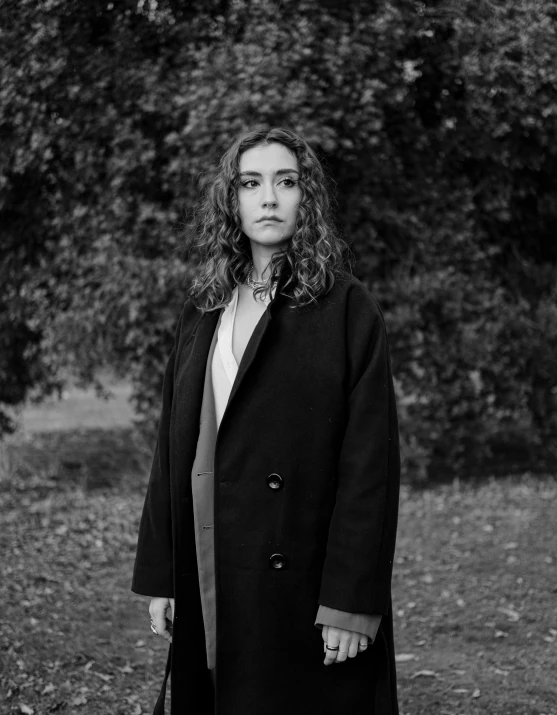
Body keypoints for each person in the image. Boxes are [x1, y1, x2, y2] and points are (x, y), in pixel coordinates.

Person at [131, 127, 401, 715]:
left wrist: (352, 602)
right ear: (232, 200)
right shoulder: (204, 307)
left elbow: (370, 466)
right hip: (213, 563)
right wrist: (163, 574)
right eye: (251, 183)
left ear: (308, 198)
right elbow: (172, 448)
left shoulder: (347, 308)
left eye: (287, 181)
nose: (270, 198)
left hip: (302, 576)